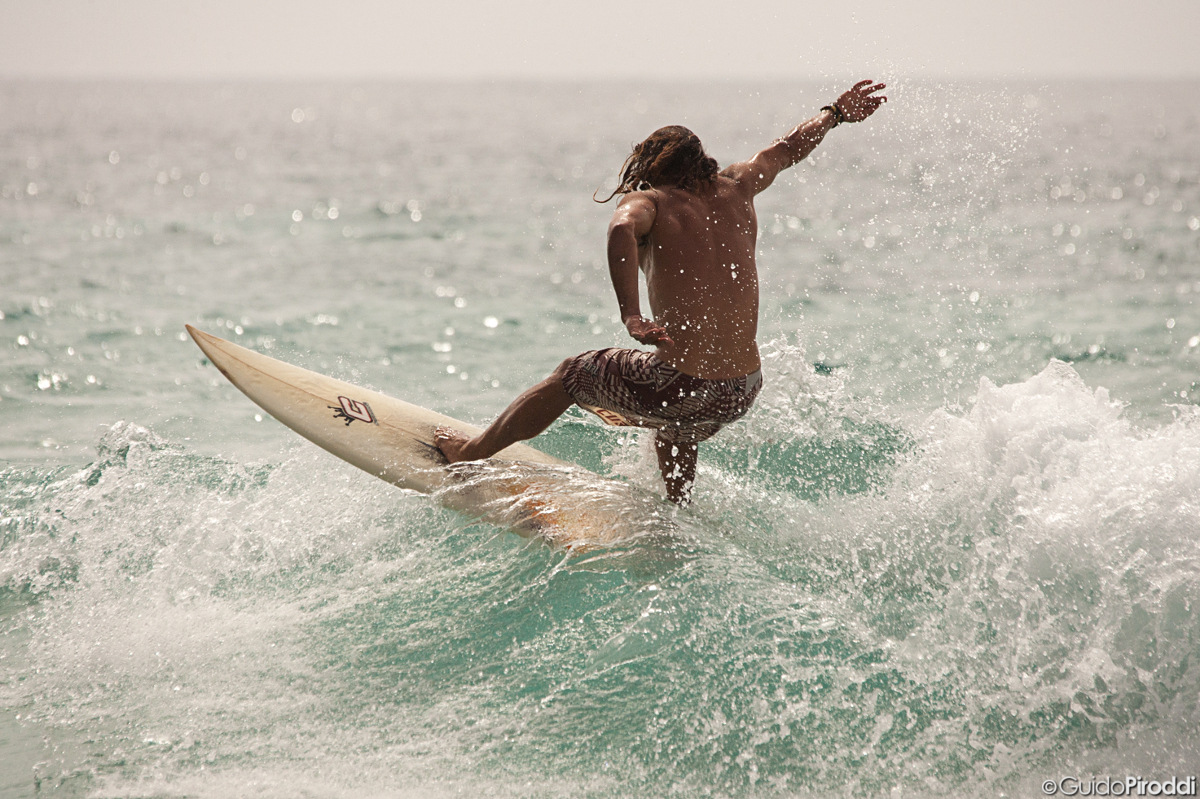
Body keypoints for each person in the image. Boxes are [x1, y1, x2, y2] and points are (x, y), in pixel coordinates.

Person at [437, 80, 887, 505]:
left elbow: (620, 228)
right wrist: (835, 114)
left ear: (655, 166)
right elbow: (787, 149)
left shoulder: (652, 202)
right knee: (678, 426)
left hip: (681, 386)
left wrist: (631, 314)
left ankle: (471, 452)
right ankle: (678, 512)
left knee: (574, 374)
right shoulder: (740, 186)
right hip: (740, 390)